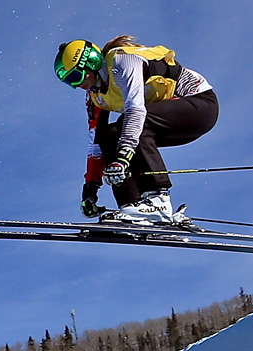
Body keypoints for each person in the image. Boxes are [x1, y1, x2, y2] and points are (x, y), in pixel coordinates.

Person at [54, 37, 218, 229]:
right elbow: (96, 142)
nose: (75, 85)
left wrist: (124, 156)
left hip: (199, 106)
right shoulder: (95, 97)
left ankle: (158, 200)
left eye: (76, 77)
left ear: (91, 62)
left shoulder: (121, 62)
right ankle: (132, 208)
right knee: (110, 135)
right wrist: (91, 187)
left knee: (129, 124)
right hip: (167, 121)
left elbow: (136, 110)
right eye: (68, 83)